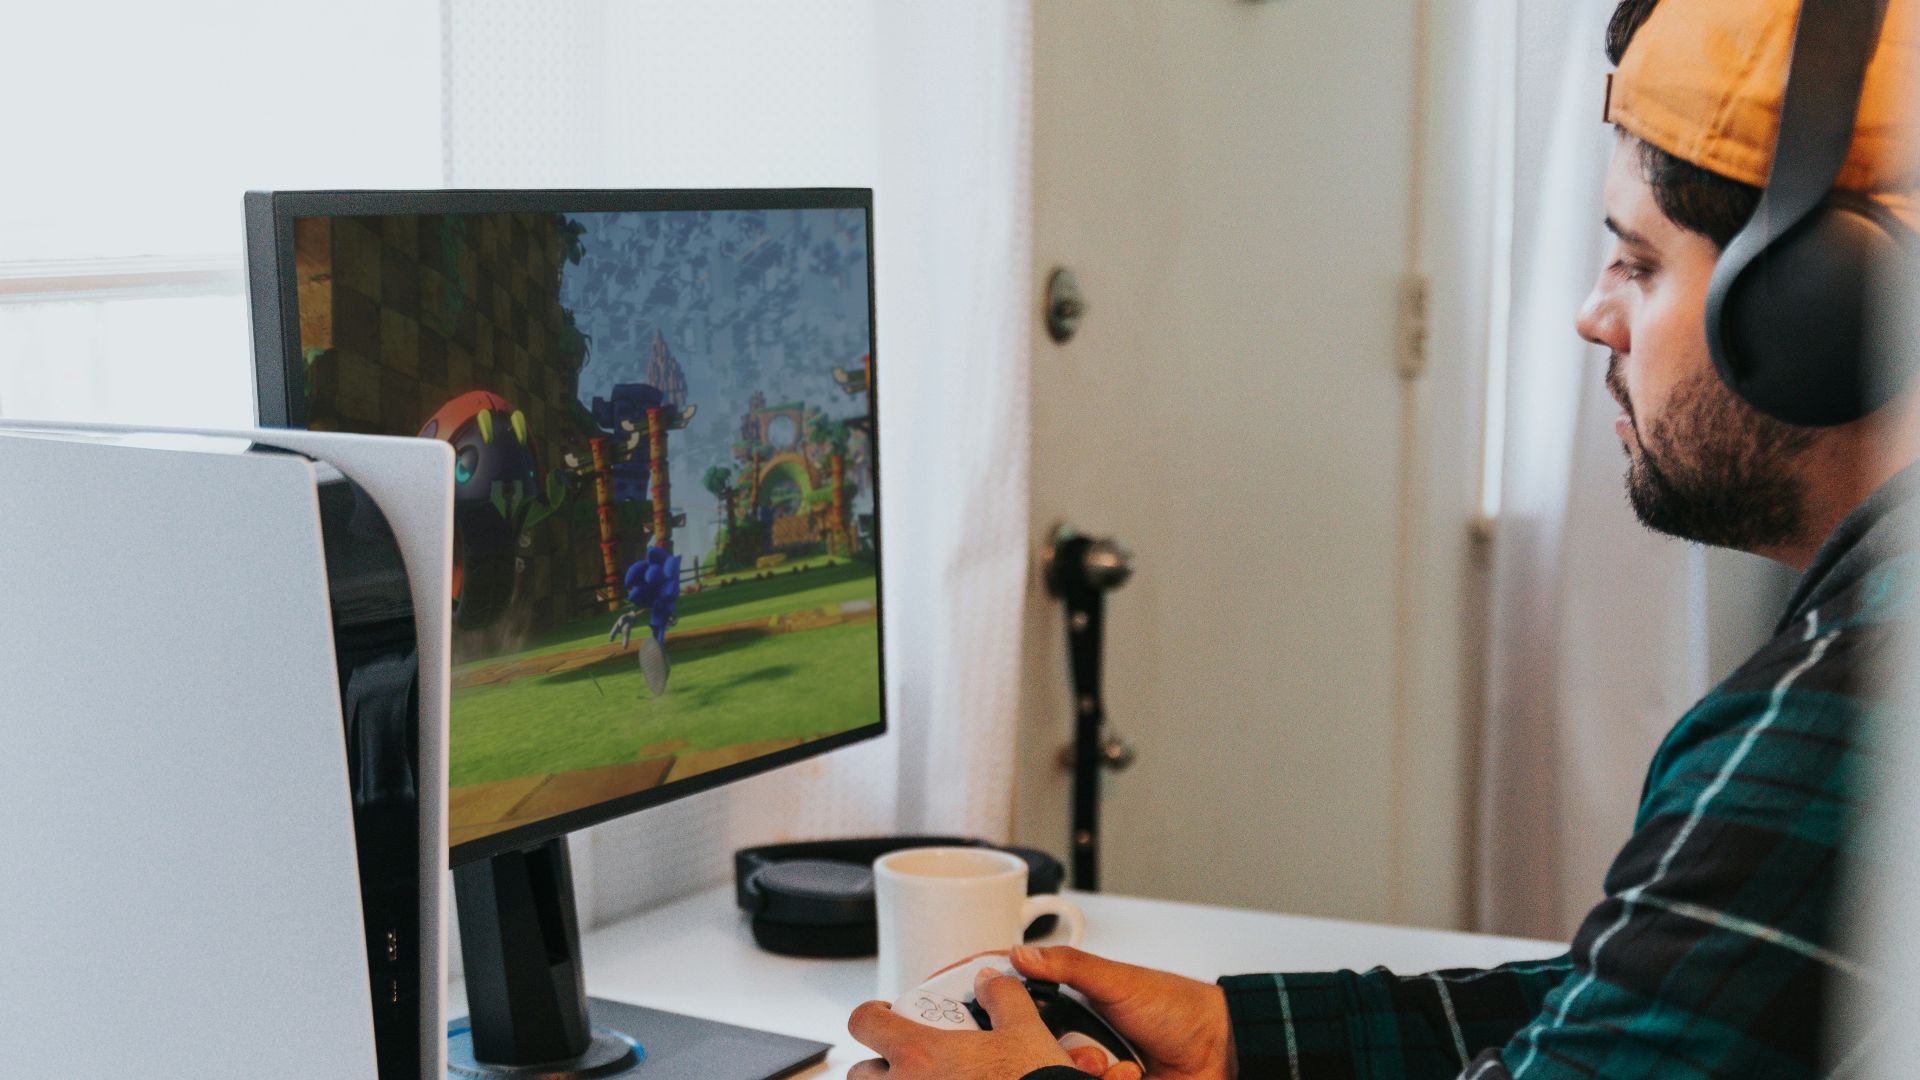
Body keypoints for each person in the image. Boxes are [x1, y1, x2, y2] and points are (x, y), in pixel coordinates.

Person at [844, 0, 1920, 1076]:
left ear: (1816, 307)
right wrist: (1238, 1039)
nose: (1596, 313)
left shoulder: (1845, 710)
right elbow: (1652, 994)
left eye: (1637, 263)